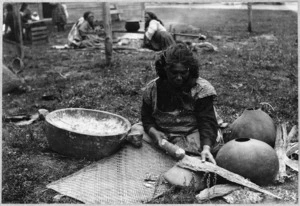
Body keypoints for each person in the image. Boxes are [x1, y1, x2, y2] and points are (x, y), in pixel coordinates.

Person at [138, 43, 220, 164]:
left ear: (190, 69)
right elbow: (146, 117)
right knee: (135, 132)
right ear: (165, 70)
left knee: (199, 150)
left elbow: (207, 122)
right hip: (162, 133)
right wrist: (153, 132)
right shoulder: (152, 89)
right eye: (174, 73)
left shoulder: (201, 89)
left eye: (183, 73)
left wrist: (206, 147)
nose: (179, 78)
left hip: (192, 133)